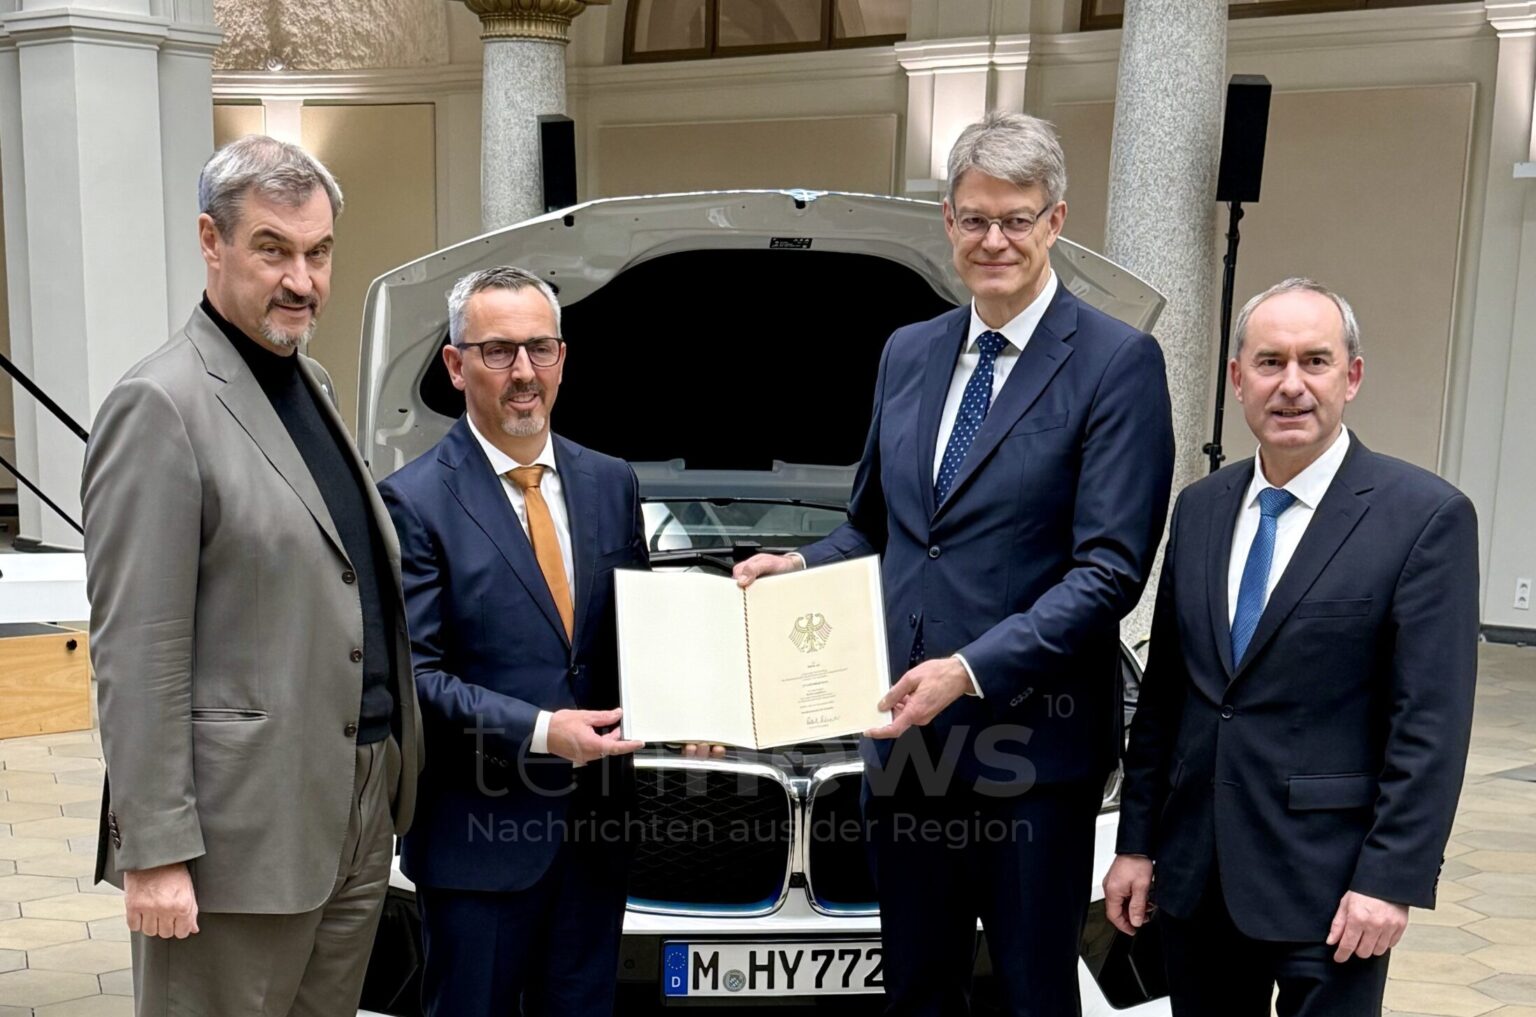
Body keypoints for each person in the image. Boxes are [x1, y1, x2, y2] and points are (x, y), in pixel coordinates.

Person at [734, 111, 1175, 1015]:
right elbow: (876, 529)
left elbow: (1108, 571)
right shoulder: (910, 351)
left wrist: (970, 671)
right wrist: (798, 567)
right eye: (975, 218)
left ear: (1057, 221)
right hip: (905, 749)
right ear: (947, 220)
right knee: (917, 989)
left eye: (1017, 219)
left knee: (1030, 994)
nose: (995, 239)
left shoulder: (1116, 363)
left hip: (1033, 755)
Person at [81, 134, 421, 1015]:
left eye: (318, 252)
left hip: (352, 804)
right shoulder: (160, 404)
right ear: (212, 241)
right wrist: (153, 849)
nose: (301, 280)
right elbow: (137, 648)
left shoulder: (312, 385)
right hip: (234, 835)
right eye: (273, 249)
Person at [1103, 278, 1479, 1016]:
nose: (1293, 385)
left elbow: (1430, 724)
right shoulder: (1203, 507)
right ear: (1238, 378)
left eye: (1316, 361)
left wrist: (1390, 877)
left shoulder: (1424, 517)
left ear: (1353, 376)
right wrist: (1137, 843)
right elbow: (1167, 698)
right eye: (1271, 362)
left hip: (1333, 887)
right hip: (1198, 876)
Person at [379, 265, 649, 1016]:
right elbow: (417, 677)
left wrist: (705, 707)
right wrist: (539, 730)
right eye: (498, 352)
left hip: (595, 838)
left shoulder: (611, 482)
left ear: (564, 356)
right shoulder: (414, 501)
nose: (524, 372)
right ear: (456, 365)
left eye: (541, 347)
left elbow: (639, 642)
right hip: (477, 843)